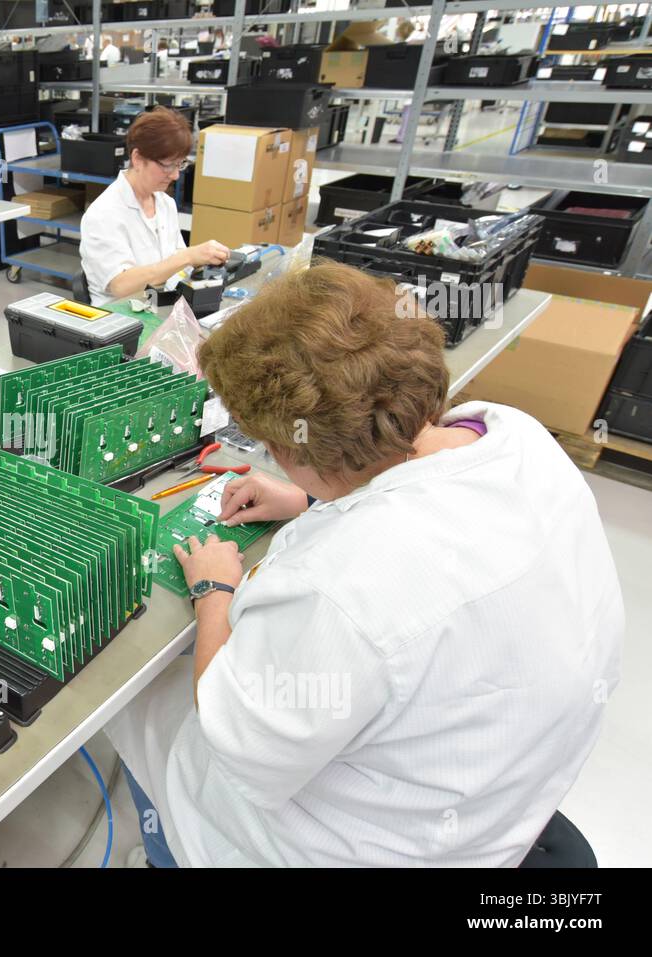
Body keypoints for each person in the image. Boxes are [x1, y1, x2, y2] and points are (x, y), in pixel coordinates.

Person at [106, 262, 623, 867]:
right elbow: (413, 486)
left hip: (372, 849)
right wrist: (313, 495)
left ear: (294, 445)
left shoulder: (343, 586)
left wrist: (215, 590)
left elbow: (241, 746)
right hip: (499, 789)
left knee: (138, 701)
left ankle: (164, 846)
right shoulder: (516, 436)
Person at [79, 108, 229, 306]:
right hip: (121, 317)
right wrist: (188, 257)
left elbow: (177, 266)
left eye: (180, 164)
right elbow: (120, 285)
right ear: (138, 158)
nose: (175, 175)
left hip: (162, 306)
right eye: (168, 165)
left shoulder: (164, 203)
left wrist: (202, 261)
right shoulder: (103, 214)